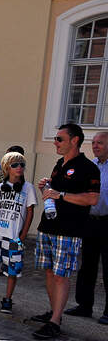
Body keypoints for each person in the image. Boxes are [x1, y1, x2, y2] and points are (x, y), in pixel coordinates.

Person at [30, 123, 100, 339]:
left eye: (60, 139)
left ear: (74, 140)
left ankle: (55, 322)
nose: (55, 143)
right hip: (49, 226)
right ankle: (54, 313)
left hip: (69, 230)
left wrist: (59, 195)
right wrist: (47, 185)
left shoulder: (88, 167)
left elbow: (92, 198)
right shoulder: (60, 163)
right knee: (50, 272)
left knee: (61, 276)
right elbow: (57, 190)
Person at [0, 152, 36, 314]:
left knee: (12, 269)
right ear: (7, 168)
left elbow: (30, 213)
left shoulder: (28, 188)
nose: (19, 168)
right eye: (15, 165)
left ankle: (8, 299)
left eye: (22, 165)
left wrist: (22, 236)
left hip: (14, 236)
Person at [61, 131, 108, 324]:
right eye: (94, 142)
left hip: (107, 221)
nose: (95, 146)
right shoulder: (91, 166)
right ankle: (84, 305)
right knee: (87, 265)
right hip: (89, 221)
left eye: (101, 143)